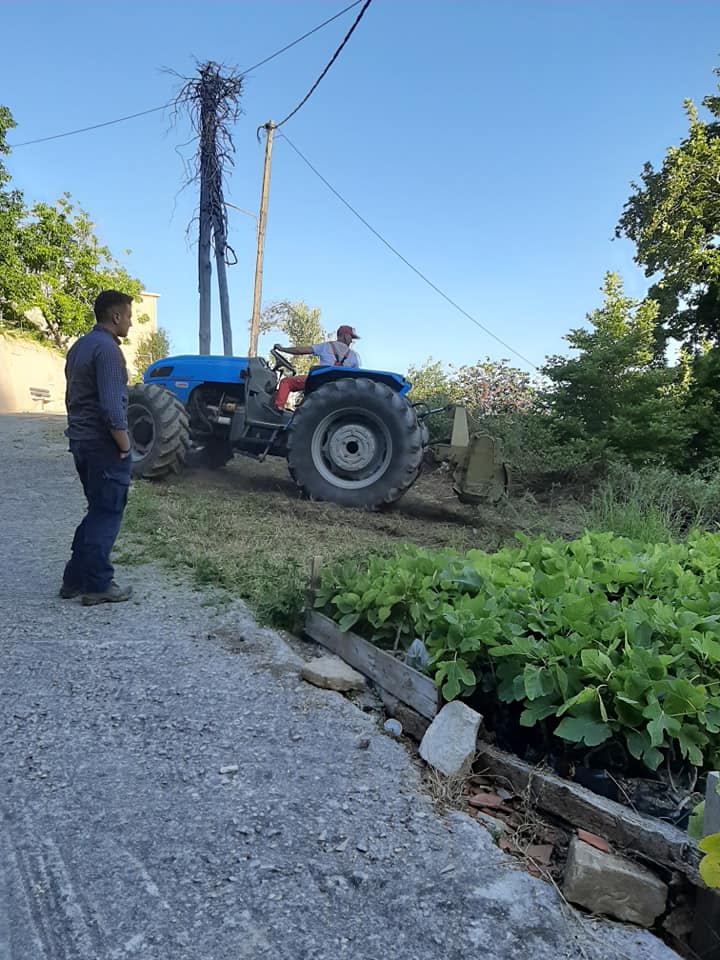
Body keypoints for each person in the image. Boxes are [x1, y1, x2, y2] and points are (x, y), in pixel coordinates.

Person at [61, 290, 134, 605]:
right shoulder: (107, 350)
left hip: (80, 442)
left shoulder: (79, 347)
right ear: (115, 316)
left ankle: (74, 579)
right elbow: (110, 406)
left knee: (97, 511)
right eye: (128, 316)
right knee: (108, 512)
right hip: (103, 445)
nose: (130, 322)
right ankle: (98, 585)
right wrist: (124, 444)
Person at [271, 325, 362, 412]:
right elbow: (356, 377)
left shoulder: (326, 346)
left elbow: (300, 351)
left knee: (286, 382)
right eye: (351, 337)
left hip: (320, 382)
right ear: (345, 336)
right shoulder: (353, 356)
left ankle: (277, 410)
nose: (351, 341)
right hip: (341, 387)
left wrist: (283, 349)